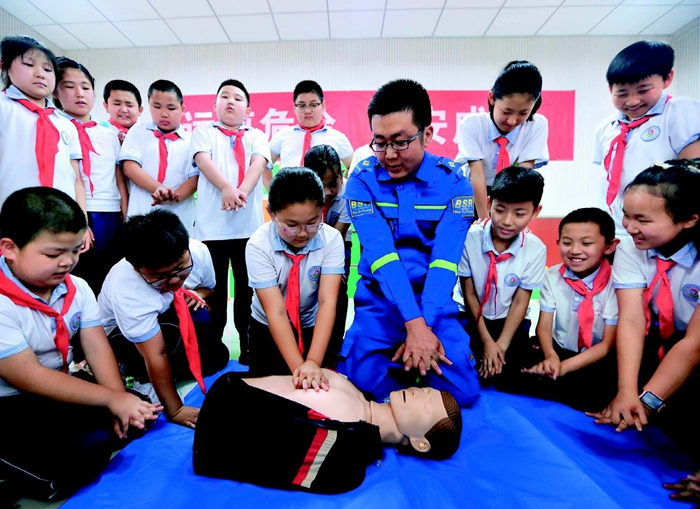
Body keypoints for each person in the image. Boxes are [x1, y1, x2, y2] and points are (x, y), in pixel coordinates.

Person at [0, 187, 160, 503]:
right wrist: (111, 400)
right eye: (53, 255)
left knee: (141, 414)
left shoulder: (77, 287)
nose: (67, 262)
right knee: (85, 452)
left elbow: (97, 347)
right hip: (12, 400)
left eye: (75, 250)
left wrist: (117, 400)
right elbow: (29, 377)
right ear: (9, 248)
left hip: (56, 388)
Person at [340, 79, 480, 408]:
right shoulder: (361, 181)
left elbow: (445, 261)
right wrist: (413, 326)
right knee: (363, 385)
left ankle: (417, 356)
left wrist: (423, 325)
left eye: (401, 142)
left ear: (427, 135)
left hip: (434, 302)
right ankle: (409, 359)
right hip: (380, 303)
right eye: (380, 143)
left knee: (463, 393)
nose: (389, 155)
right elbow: (382, 257)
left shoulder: (455, 184)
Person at [193, 369, 462, 494]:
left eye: (426, 404)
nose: (416, 392)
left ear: (420, 443)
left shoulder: (348, 446)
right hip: (229, 389)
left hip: (219, 423)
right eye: (425, 390)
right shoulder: (357, 392)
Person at [589, 161, 700, 456]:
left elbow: (694, 344)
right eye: (626, 215)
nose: (630, 227)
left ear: (689, 219)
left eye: (643, 220)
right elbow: (631, 319)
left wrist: (648, 401)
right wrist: (627, 392)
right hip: (658, 338)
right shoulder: (630, 248)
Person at [99, 210, 229, 429]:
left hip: (169, 316)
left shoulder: (198, 251)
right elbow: (155, 354)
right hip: (121, 338)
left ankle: (167, 371)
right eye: (160, 277)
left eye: (181, 269)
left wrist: (197, 295)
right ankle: (133, 373)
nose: (175, 280)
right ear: (137, 268)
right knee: (166, 339)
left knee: (217, 357)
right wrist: (175, 409)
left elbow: (208, 289)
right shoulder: (127, 290)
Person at [190, 79, 270, 365]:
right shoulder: (203, 132)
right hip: (211, 231)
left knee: (248, 290)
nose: (231, 101)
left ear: (247, 109)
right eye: (225, 96)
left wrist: (240, 192)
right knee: (215, 291)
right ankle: (214, 348)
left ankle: (248, 346)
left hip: (248, 230)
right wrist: (226, 187)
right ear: (215, 105)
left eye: (237, 98)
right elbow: (203, 161)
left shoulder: (256, 135)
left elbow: (258, 164)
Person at [245, 168, 344, 389]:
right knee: (268, 393)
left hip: (313, 327)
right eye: (291, 225)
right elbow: (276, 312)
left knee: (316, 391)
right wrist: (302, 372)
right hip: (267, 329)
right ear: (271, 213)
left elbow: (327, 302)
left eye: (312, 222)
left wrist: (313, 362)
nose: (302, 233)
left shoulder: (331, 240)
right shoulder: (258, 246)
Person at [513, 208, 620, 411]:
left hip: (596, 355)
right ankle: (554, 379)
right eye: (567, 242)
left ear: (609, 246)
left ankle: (558, 382)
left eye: (586, 243)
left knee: (599, 391)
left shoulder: (617, 282)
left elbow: (606, 345)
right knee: (512, 370)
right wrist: (551, 357)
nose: (575, 250)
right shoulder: (552, 276)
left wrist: (562, 368)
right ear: (558, 242)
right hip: (558, 349)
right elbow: (543, 326)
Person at [593, 41, 700, 237]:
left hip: (662, 230)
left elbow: (693, 174)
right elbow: (606, 179)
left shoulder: (679, 111)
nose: (632, 101)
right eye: (622, 93)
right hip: (615, 228)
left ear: (667, 79)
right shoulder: (606, 128)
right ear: (610, 89)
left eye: (643, 90)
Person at [459, 166, 546, 382]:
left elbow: (520, 302)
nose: (507, 221)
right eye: (500, 210)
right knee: (465, 371)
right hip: (471, 318)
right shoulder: (469, 238)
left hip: (510, 322)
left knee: (513, 377)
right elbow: (470, 295)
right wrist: (487, 342)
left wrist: (500, 347)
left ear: (535, 212)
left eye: (519, 214)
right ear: (489, 204)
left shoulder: (536, 249)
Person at [0, 36, 89, 245]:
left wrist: (82, 222)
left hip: (61, 220)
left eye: (48, 69)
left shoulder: (65, 123)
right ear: (4, 66)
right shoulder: (4, 109)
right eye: (29, 65)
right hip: (12, 218)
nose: (40, 73)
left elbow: (75, 179)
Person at [53, 57, 126, 294]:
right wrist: (81, 221)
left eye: (85, 87)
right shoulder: (54, 127)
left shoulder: (110, 132)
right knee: (78, 280)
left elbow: (119, 178)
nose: (79, 94)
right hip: (74, 214)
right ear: (55, 92)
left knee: (110, 279)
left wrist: (126, 215)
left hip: (110, 213)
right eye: (69, 86)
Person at [456, 60, 548, 220]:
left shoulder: (536, 125)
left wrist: (514, 219)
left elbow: (523, 175)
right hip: (473, 192)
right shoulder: (472, 124)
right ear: (492, 98)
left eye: (523, 113)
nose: (512, 120)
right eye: (506, 111)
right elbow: (477, 175)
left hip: (511, 191)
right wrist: (484, 220)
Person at [120, 79, 197, 235]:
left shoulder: (192, 141)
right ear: (149, 106)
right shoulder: (138, 130)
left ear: (182, 109)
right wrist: (158, 188)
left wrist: (174, 196)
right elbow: (130, 167)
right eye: (157, 106)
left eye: (171, 108)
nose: (164, 113)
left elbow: (194, 179)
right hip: (142, 213)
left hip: (180, 214)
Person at [266, 80, 354, 189]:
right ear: (294, 107)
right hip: (290, 197)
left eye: (313, 105)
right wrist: (272, 191)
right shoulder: (282, 135)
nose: (307, 111)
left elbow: (353, 166)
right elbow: (264, 165)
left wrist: (338, 189)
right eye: (302, 105)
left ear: (323, 105)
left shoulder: (337, 137)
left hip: (325, 198)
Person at [100, 78, 143, 144]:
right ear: (106, 106)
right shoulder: (99, 130)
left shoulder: (146, 133)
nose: (124, 110)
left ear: (140, 110)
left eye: (129, 105)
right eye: (117, 104)